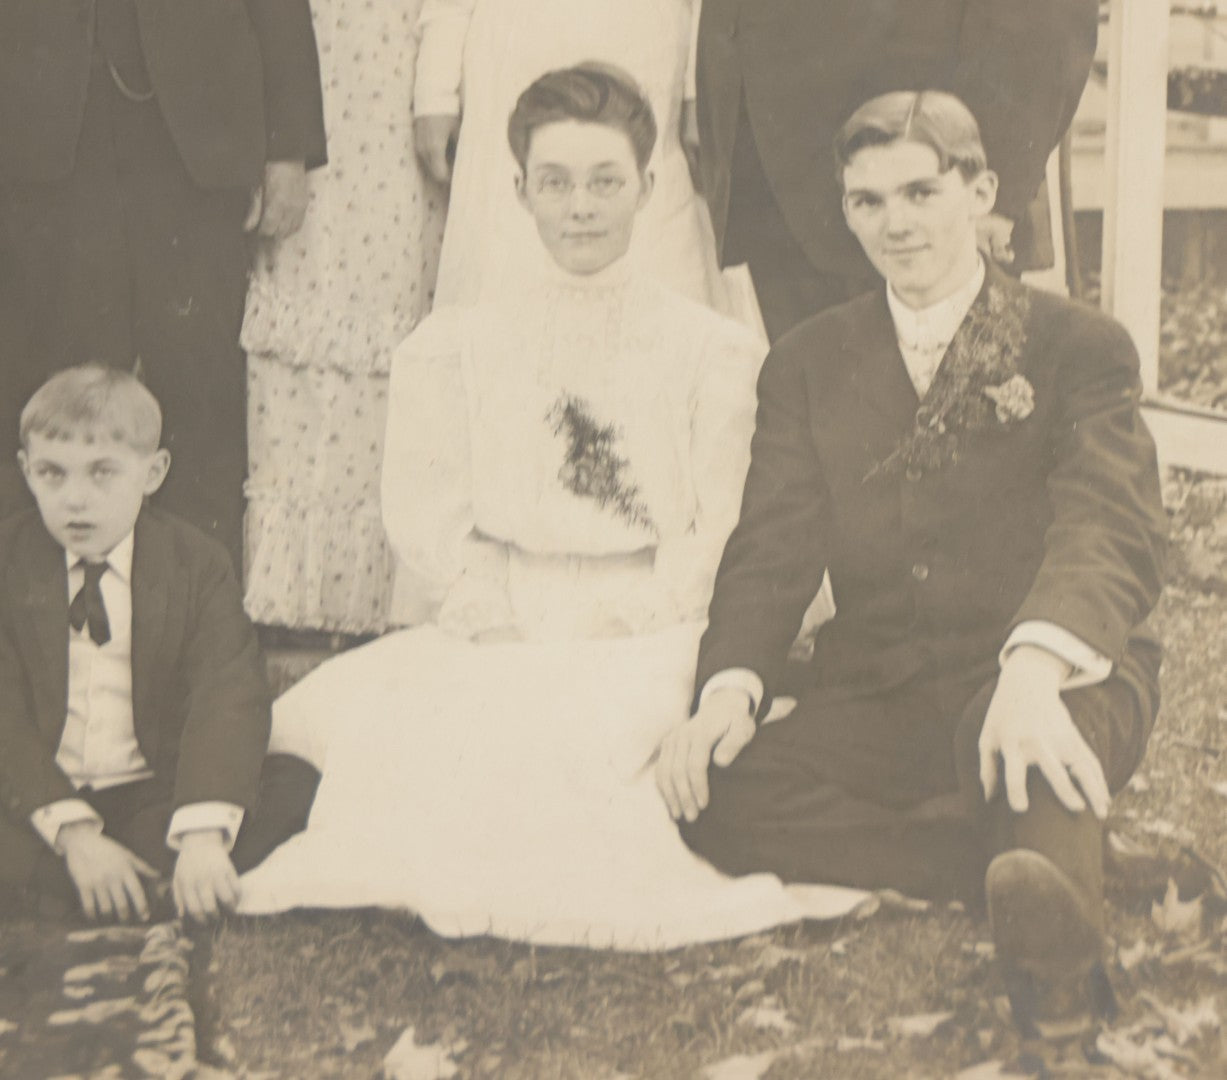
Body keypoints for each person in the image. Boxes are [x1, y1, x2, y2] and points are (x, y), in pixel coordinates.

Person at [237, 65, 865, 946]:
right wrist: (490, 604)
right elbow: (427, 510)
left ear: (646, 189)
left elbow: (727, 520)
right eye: (557, 183)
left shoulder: (708, 348)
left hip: (652, 619)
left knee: (579, 734)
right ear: (521, 189)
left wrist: (644, 608)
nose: (581, 208)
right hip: (505, 606)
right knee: (424, 720)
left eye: (606, 182)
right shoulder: (458, 344)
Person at [659, 92, 1166, 1019]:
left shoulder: (1076, 347)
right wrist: (727, 691)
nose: (896, 224)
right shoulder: (809, 362)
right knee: (720, 794)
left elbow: (1109, 524)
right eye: (867, 202)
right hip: (889, 685)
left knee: (1027, 754)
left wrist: (1032, 670)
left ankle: (1057, 984)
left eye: (920, 192)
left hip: (1055, 674)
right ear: (845, 211)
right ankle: (1020, 850)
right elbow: (771, 546)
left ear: (979, 192)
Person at [0, 0, 327, 571]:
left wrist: (286, 149)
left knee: (200, 391)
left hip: (196, 142)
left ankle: (196, 629)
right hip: (43, 140)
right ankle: (47, 625)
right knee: (51, 395)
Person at [0, 366, 320, 924]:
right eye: (52, 473)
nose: (76, 499)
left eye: (103, 473)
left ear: (153, 473)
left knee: (291, 782)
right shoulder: (10, 558)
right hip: (36, 797)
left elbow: (228, 692)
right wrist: (74, 834)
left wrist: (200, 836)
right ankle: (99, 875)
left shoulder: (194, 564)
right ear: (26, 471)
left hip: (151, 798)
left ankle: (142, 874)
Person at [692, 0, 1099, 340]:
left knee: (945, 421)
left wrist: (986, 186)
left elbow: (1042, 17)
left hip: (924, 191)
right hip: (773, 182)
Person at [241, 0, 446, 635]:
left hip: (401, 94)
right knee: (303, 316)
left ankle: (377, 596)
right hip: (308, 94)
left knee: (393, 307)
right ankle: (292, 594)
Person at [412, 0, 729, 310]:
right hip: (513, 51)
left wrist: (697, 88)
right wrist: (435, 91)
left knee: (643, 215)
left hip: (642, 43)